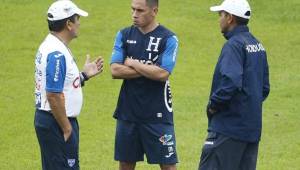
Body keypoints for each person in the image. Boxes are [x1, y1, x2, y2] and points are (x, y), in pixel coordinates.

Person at [198, 0, 270, 169]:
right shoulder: (257, 45)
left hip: (228, 129)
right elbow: (264, 88)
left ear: (230, 18)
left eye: (220, 15)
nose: (219, 20)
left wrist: (213, 105)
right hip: (251, 130)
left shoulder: (234, 45)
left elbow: (230, 82)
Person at [34, 1, 104, 169]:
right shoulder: (57, 54)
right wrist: (66, 128)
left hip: (52, 119)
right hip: (57, 122)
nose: (79, 22)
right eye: (77, 18)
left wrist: (84, 75)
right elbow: (53, 94)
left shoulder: (52, 46)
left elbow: (59, 85)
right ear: (68, 24)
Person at [110, 0, 179, 169]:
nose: (134, 14)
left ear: (154, 11)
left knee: (168, 165)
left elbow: (163, 73)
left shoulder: (168, 38)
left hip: (158, 115)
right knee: (125, 164)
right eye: (132, 9)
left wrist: (132, 63)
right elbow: (115, 70)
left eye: (140, 10)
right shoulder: (124, 34)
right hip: (128, 114)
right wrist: (150, 69)